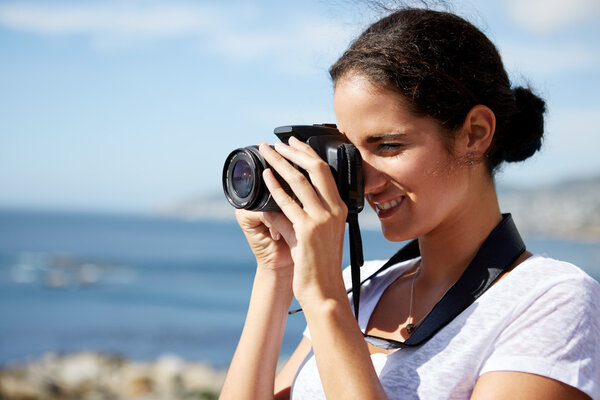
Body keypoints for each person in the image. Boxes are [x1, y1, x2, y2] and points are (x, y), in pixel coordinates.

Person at [219, 7, 600, 400]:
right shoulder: (358, 287)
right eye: (351, 152)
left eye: (387, 145)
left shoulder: (551, 300)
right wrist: (276, 273)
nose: (364, 179)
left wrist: (325, 299)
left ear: (475, 133)